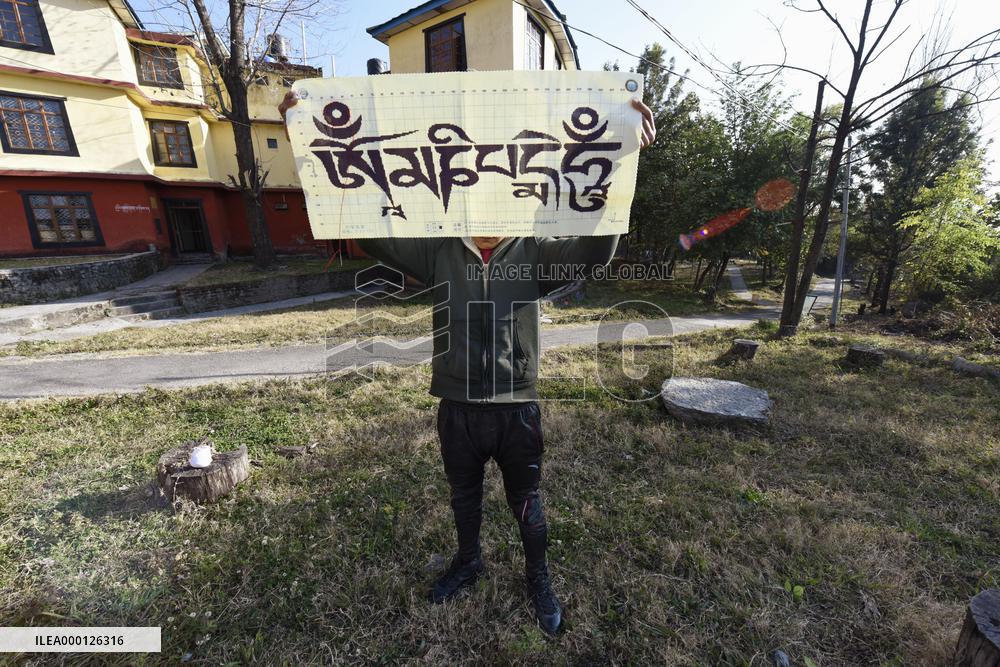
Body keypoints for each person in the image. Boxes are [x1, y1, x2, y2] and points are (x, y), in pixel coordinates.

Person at [280, 90, 656, 635]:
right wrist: (311, 149)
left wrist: (622, 162)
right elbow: (361, 226)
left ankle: (538, 575)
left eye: (499, 203)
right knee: (463, 497)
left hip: (516, 409)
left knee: (526, 501)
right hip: (454, 405)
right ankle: (469, 560)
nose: (486, 217)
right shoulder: (437, 250)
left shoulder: (534, 252)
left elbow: (596, 251)